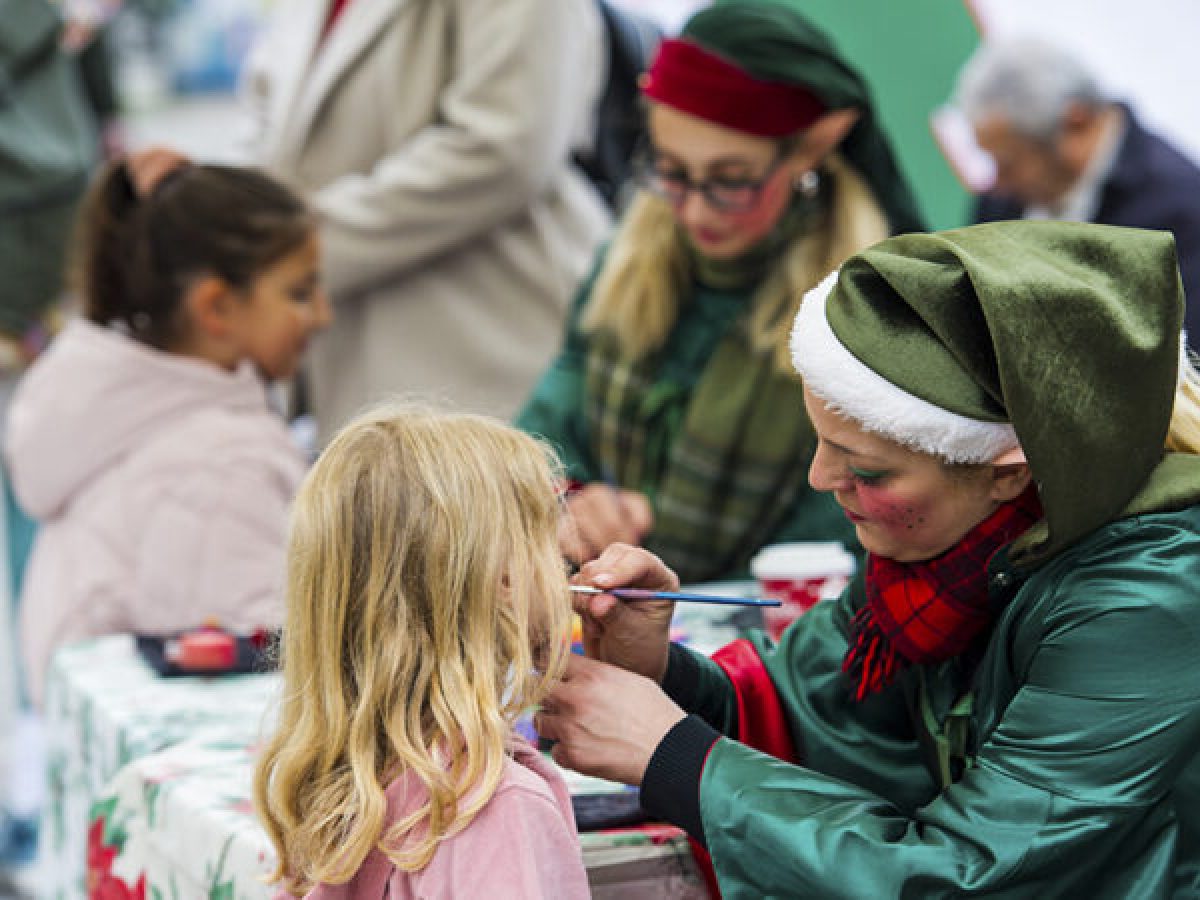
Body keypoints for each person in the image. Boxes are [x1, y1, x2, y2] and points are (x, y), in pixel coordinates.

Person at [536, 221, 1200, 896]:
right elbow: (817, 714)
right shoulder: (953, 546)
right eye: (821, 442)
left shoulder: (1150, 601)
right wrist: (662, 672)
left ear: (1007, 470)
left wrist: (673, 756)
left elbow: (961, 877)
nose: (820, 479)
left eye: (867, 469)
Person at [517, 0, 925, 583]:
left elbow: (844, 539)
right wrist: (572, 501)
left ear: (813, 146)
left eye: (731, 179)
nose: (694, 208)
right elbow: (551, 415)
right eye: (672, 171)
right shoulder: (628, 258)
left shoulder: (866, 309)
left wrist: (653, 552)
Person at [5, 150, 331, 705]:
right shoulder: (225, 457)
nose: (321, 314)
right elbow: (267, 675)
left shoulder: (120, 406)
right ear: (216, 307)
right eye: (299, 292)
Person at [253, 406, 588, 899]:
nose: (567, 566)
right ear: (502, 581)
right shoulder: (501, 809)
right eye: (547, 543)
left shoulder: (352, 785)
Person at [241, 0, 612, 442]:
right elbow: (273, 128)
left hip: (486, 358)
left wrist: (287, 247)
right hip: (355, 371)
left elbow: (504, 147)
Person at [954, 36, 1200, 347]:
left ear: (1076, 123)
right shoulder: (1002, 200)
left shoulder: (1183, 215)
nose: (997, 182)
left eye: (1010, 163)